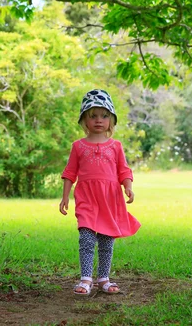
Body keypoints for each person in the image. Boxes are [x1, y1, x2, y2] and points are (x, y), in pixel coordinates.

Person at [59, 89, 141, 295]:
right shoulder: (78, 146)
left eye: (104, 116)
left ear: (111, 120)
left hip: (109, 200)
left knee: (106, 240)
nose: (98, 120)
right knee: (86, 238)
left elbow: (124, 170)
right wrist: (65, 197)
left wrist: (128, 186)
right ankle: (86, 279)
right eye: (93, 115)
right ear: (84, 120)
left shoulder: (116, 146)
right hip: (87, 198)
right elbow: (70, 173)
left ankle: (104, 278)